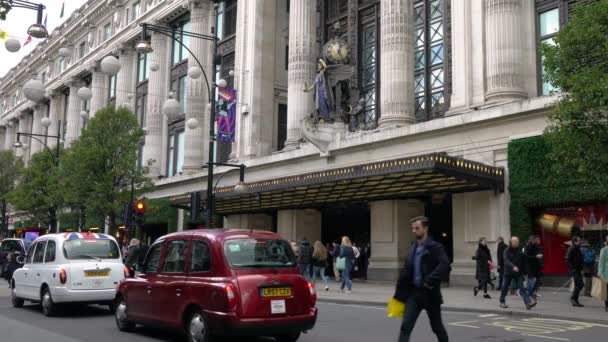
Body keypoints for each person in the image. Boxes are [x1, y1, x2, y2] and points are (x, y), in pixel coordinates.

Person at [395, 216, 451, 342]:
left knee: (437, 327)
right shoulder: (412, 247)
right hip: (413, 295)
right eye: (413, 228)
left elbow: (445, 264)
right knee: (405, 326)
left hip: (430, 294)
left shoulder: (435, 247)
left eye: (417, 228)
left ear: (425, 228)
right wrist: (399, 293)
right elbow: (406, 270)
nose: (414, 231)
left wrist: (430, 280)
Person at [499, 237, 536, 310]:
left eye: (518, 242)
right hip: (508, 272)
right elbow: (506, 260)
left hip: (518, 273)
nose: (517, 243)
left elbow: (525, 262)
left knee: (522, 288)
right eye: (515, 242)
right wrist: (513, 266)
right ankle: (502, 302)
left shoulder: (520, 250)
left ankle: (528, 303)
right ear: (511, 242)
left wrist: (527, 273)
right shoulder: (506, 250)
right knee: (504, 288)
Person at [566, 236, 585, 307]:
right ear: (575, 241)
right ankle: (573, 298)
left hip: (578, 269)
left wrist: (581, 268)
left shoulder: (578, 248)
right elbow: (567, 259)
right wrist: (573, 268)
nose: (580, 241)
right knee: (580, 284)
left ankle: (575, 300)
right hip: (574, 270)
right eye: (579, 240)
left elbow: (579, 259)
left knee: (578, 284)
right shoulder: (572, 248)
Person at [525, 235, 543, 299]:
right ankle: (529, 293)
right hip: (530, 266)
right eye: (536, 240)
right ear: (532, 240)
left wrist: (540, 262)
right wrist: (536, 256)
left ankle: (532, 292)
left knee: (538, 280)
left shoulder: (537, 247)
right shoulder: (527, 247)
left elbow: (539, 254)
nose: (537, 241)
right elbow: (526, 257)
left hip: (537, 266)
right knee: (530, 281)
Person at [597, 235, 608, 312]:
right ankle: (607, 306)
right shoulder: (604, 250)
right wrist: (600, 273)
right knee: (606, 291)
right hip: (606, 273)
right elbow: (601, 263)